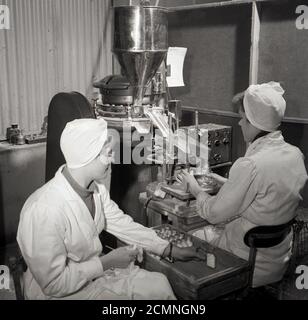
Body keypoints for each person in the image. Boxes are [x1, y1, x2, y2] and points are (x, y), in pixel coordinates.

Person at [17, 118, 204, 300]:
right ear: (88, 155)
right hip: (58, 292)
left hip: (90, 275)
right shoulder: (43, 209)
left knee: (159, 284)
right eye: (108, 153)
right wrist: (106, 262)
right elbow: (53, 284)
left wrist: (170, 249)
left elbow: (123, 225)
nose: (114, 158)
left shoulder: (96, 190)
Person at [177, 82, 308, 287]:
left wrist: (194, 186)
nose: (239, 123)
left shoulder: (250, 164)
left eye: (242, 118)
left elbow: (213, 214)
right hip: (277, 259)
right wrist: (225, 182)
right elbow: (266, 195)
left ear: (254, 121)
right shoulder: (294, 154)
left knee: (187, 238)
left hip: (247, 261)